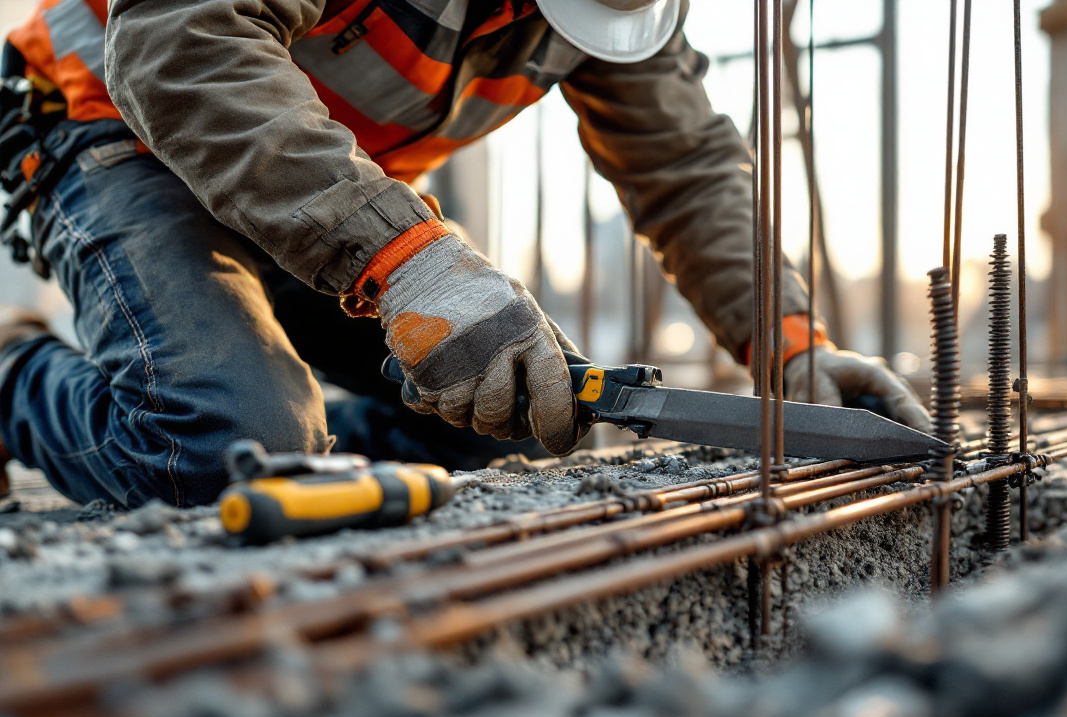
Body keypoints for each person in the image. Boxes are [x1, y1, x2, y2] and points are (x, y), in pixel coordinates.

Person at [0, 0, 929, 509]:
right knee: (211, 452)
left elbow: (686, 167)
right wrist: (412, 262)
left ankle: (285, 421)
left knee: (515, 402)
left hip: (320, 195)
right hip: (118, 122)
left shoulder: (617, 11)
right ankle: (12, 373)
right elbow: (180, 41)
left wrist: (792, 345)